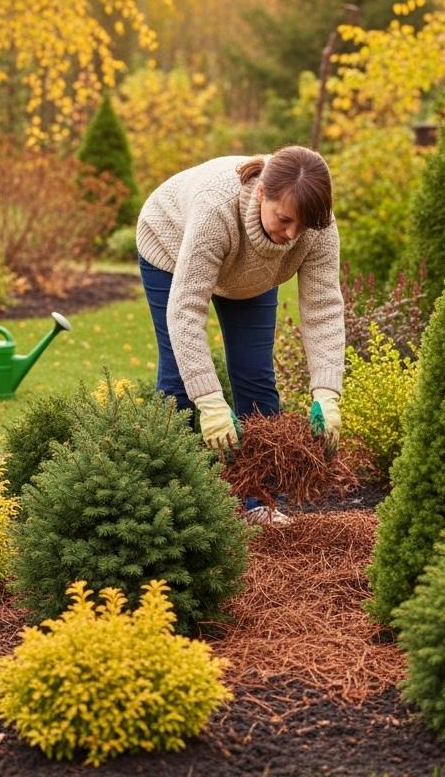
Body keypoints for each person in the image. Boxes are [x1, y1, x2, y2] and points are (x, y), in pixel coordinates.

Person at [135, 145, 345, 525]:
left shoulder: (316, 227)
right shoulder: (217, 208)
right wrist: (211, 404)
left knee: (256, 376)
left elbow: (324, 308)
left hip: (252, 273)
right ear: (263, 193)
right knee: (179, 383)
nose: (292, 234)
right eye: (284, 219)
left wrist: (327, 393)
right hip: (169, 244)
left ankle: (259, 503)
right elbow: (185, 312)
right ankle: (169, 509)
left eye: (303, 225)